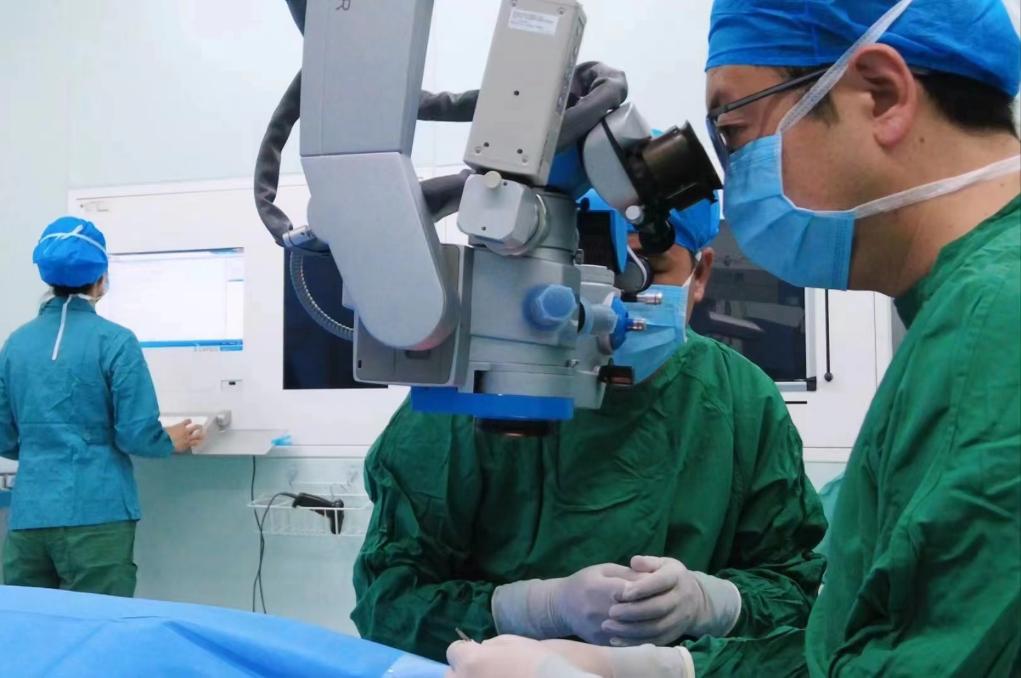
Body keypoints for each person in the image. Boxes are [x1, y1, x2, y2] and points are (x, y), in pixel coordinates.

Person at [447, 0, 1021, 675]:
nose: (733, 172)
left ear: (881, 94)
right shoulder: (961, 312)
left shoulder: (993, 321)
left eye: (733, 129)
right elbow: (859, 638)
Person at [352, 193, 828, 668]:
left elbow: (796, 596)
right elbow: (388, 602)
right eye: (587, 267)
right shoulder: (475, 393)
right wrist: (538, 607)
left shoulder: (742, 400)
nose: (613, 300)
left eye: (649, 269)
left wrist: (710, 603)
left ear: (700, 274)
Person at [0, 216, 204, 597]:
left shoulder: (15, 345)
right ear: (101, 279)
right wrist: (169, 440)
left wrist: (46, 449)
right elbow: (136, 434)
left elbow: (4, 438)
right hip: (98, 518)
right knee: (101, 625)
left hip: (29, 519)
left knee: (31, 625)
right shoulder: (116, 342)